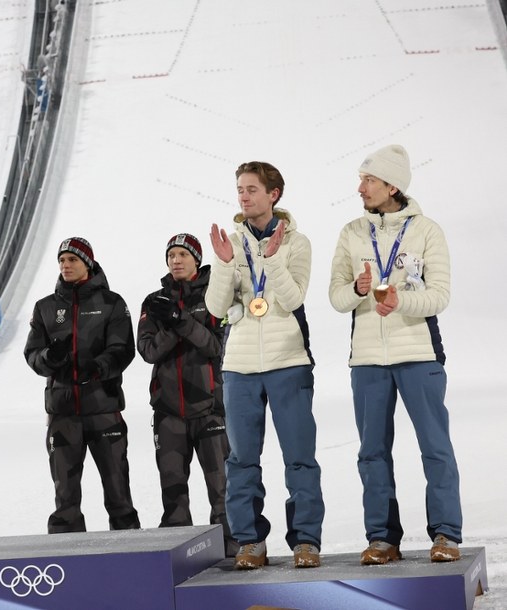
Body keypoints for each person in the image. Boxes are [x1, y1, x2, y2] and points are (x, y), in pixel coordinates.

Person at [329, 144, 462, 564]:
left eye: (368, 180)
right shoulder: (351, 232)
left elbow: (439, 296)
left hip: (419, 355)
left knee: (434, 446)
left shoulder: (427, 230)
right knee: (371, 452)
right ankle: (382, 539)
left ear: (392, 185)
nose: (360, 188)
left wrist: (399, 303)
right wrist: (358, 290)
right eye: (361, 179)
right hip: (367, 360)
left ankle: (445, 535)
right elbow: (335, 296)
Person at [205, 161, 324, 570]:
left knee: (299, 456)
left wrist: (272, 260)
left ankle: (305, 541)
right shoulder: (231, 243)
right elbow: (216, 309)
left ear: (274, 194)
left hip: (288, 361)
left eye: (252, 189)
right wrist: (222, 264)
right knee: (241, 459)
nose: (243, 196)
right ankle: (250, 541)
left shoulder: (298, 243)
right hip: (238, 366)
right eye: (240, 189)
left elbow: (293, 300)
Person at [24, 237, 141, 533]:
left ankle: (131, 556)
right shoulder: (45, 308)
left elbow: (123, 349)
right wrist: (51, 357)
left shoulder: (112, 303)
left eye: (72, 260)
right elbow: (32, 355)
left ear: (87, 263)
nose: (66, 265)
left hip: (104, 409)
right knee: (65, 498)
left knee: (118, 493)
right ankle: (67, 562)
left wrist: (97, 367)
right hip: (63, 414)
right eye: (62, 260)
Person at [137, 233, 236, 555]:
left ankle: (231, 544)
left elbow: (216, 346)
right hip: (168, 411)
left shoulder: (216, 294)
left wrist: (181, 321)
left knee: (221, 486)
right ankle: (177, 550)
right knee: (172, 487)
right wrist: (171, 325)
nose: (175, 261)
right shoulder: (153, 301)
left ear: (197, 259)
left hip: (209, 407)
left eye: (182, 254)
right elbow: (149, 351)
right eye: (171, 256)